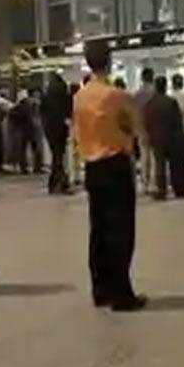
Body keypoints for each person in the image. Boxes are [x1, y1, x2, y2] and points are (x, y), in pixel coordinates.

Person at [74, 40, 147, 311]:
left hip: (92, 169)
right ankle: (122, 295)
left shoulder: (80, 96)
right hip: (115, 165)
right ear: (110, 60)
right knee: (121, 231)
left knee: (99, 231)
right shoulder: (116, 95)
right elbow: (137, 128)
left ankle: (100, 289)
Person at [144, 76, 184, 200]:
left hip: (157, 139)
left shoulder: (150, 104)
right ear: (165, 86)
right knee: (177, 165)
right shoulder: (171, 102)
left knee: (160, 165)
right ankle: (179, 189)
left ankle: (161, 190)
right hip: (173, 137)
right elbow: (178, 121)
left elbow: (147, 122)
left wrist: (149, 135)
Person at [42, 73, 73, 194]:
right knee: (59, 155)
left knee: (56, 154)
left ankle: (55, 182)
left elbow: (42, 111)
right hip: (61, 127)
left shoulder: (47, 95)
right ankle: (60, 182)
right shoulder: (64, 93)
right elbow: (69, 109)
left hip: (50, 127)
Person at [132, 67, 157, 191]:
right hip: (155, 127)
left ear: (142, 78)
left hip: (141, 128)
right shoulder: (156, 92)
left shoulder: (137, 94)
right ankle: (153, 183)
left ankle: (145, 183)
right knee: (154, 157)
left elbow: (134, 113)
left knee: (144, 157)